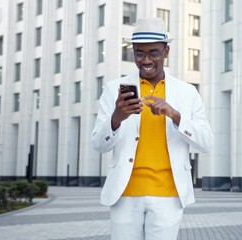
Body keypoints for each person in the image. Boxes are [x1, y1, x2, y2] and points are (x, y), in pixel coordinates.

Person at [91, 17, 213, 240]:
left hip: (168, 194)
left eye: (153, 53)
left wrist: (176, 116)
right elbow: (98, 145)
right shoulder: (114, 90)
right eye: (139, 53)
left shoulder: (187, 93)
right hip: (124, 194)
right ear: (133, 52)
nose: (146, 60)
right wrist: (116, 118)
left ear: (166, 52)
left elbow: (206, 143)